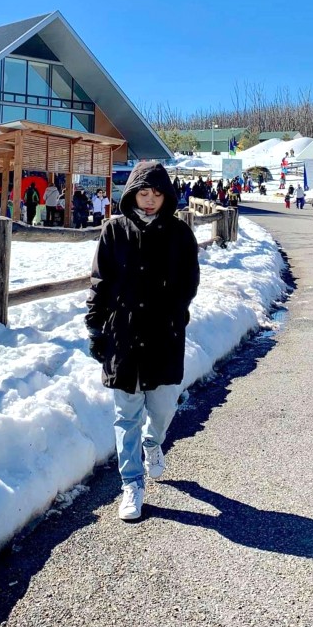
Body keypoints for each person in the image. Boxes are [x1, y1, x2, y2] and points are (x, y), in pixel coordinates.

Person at [85, 162, 200, 522]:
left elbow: (189, 282)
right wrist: (95, 325)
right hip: (123, 335)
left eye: (156, 193)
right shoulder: (114, 231)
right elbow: (100, 280)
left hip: (164, 335)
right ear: (132, 193)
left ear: (165, 196)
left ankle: (154, 444)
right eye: (142, 192)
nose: (148, 200)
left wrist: (174, 311)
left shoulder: (180, 234)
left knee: (163, 407)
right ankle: (131, 483)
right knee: (125, 414)